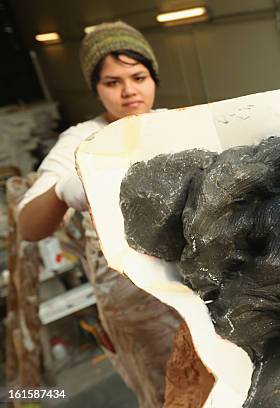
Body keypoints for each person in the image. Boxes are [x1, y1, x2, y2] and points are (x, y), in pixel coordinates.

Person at [16, 21, 180, 407]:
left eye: (138, 77)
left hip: (191, 291)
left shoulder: (175, 125)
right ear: (96, 87)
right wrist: (61, 190)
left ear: (153, 77)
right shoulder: (80, 141)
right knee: (166, 396)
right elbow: (28, 225)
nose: (129, 91)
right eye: (112, 82)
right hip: (134, 310)